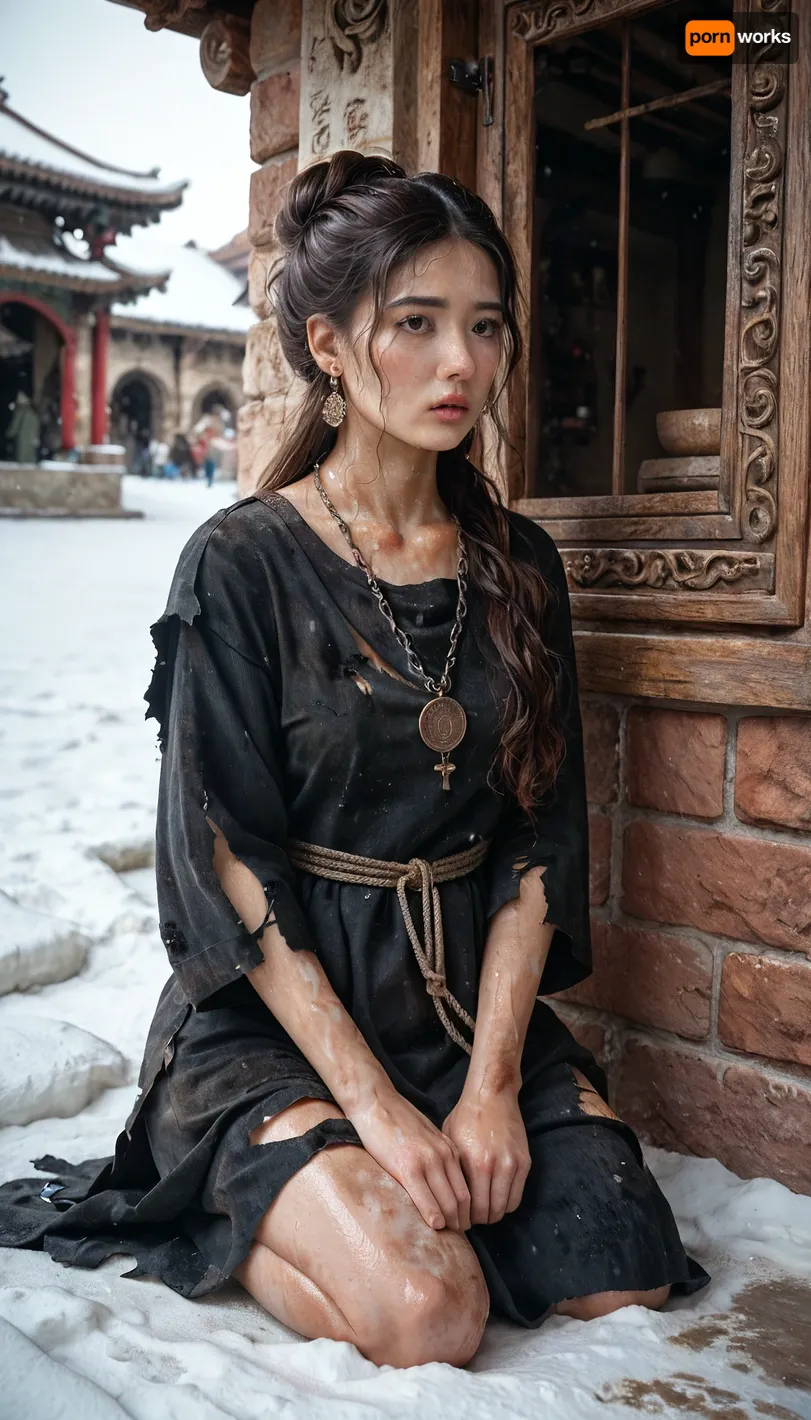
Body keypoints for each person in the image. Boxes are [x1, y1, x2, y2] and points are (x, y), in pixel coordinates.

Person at [0, 151, 708, 1368]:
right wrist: (373, 1111)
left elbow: (541, 836)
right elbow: (228, 857)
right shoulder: (241, 564)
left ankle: (409, 1192)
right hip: (279, 1021)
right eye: (417, 324)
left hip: (454, 1008)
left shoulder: (519, 565)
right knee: (430, 1311)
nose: (460, 366)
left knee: (619, 1270)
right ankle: (246, 1202)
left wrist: (488, 1087)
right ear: (329, 345)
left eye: (484, 327)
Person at [7, 391, 40, 464]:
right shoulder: (33, 413)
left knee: (22, 458)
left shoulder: (20, 412)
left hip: (22, 438)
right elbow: (37, 426)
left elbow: (15, 425)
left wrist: (9, 434)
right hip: (31, 439)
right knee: (30, 458)